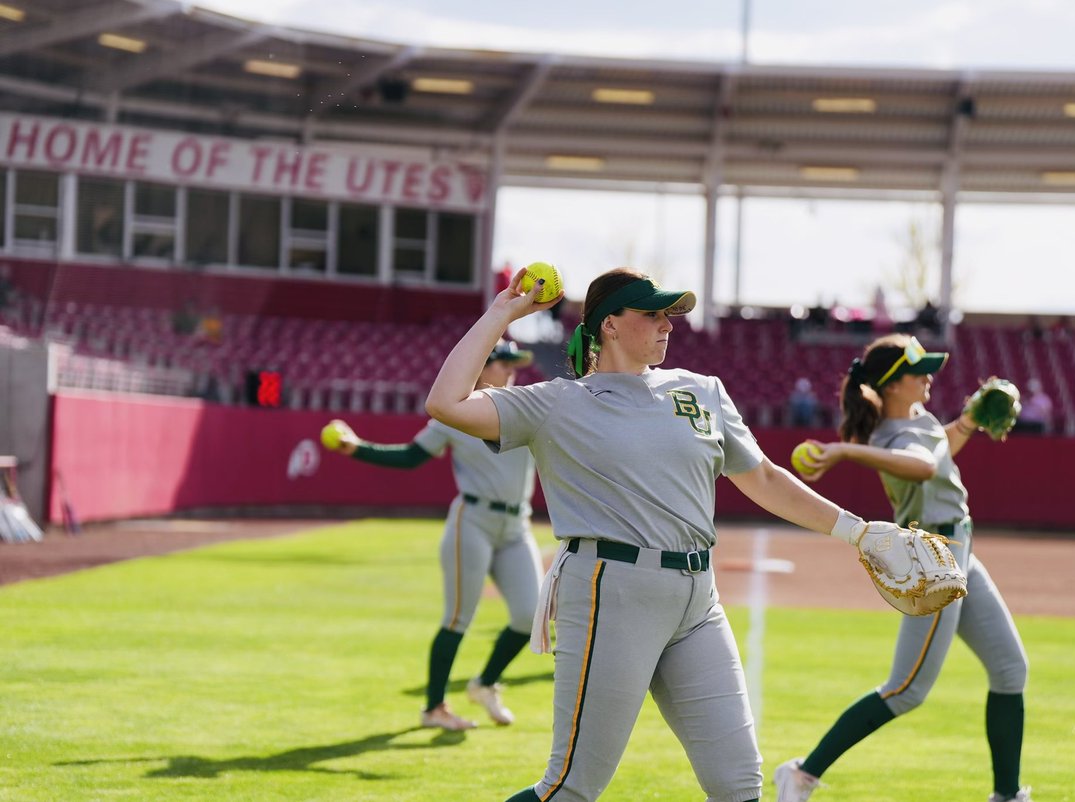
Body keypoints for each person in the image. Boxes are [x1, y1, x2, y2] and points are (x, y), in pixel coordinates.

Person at [425, 266, 912, 802]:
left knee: (738, 783)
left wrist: (860, 533)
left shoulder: (702, 391)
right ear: (610, 325)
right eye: (652, 313)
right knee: (571, 787)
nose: (668, 325)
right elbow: (445, 403)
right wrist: (502, 314)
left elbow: (766, 479)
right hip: (611, 594)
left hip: (697, 602)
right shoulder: (556, 402)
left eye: (669, 314)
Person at [775, 334, 1032, 802]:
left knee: (1010, 669)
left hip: (960, 550)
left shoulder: (918, 419)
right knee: (907, 689)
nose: (929, 377)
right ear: (892, 385)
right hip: (933, 558)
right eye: (919, 371)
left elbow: (937, 450)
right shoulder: (887, 437)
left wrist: (969, 422)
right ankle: (801, 774)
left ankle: (1008, 795)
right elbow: (919, 466)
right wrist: (845, 450)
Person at [323, 340, 543, 732]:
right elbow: (411, 457)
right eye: (504, 363)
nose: (512, 371)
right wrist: (355, 448)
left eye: (514, 365)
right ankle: (434, 708)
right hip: (472, 520)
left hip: (516, 525)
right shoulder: (455, 411)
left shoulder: (528, 408)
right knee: (459, 617)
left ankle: (485, 684)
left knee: (531, 616)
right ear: (482, 365)